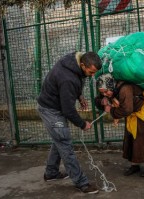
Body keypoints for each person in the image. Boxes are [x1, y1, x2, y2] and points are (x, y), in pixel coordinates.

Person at [37, 51, 102, 194]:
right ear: (83, 65)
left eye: (94, 73)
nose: (92, 76)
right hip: (51, 110)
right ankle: (81, 183)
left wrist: (79, 96)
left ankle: (51, 173)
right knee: (65, 144)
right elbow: (68, 110)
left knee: (59, 140)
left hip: (54, 105)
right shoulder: (68, 78)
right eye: (90, 72)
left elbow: (75, 82)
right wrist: (82, 124)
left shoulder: (74, 61)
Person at [95, 73, 144, 177]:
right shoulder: (109, 88)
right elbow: (98, 100)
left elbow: (126, 109)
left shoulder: (125, 89)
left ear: (111, 86)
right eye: (103, 92)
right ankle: (135, 164)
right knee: (131, 137)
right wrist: (102, 101)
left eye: (106, 92)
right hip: (133, 111)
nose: (105, 94)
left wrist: (111, 110)